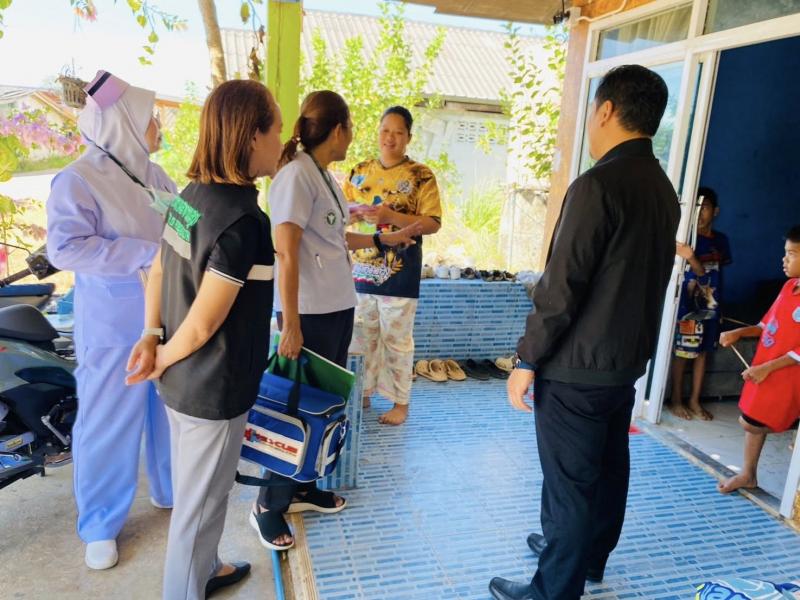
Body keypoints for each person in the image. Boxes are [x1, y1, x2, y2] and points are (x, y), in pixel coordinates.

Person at [492, 65, 680, 600]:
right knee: (608, 467)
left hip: (577, 366)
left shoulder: (598, 185)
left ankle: (553, 589)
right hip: (623, 363)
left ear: (606, 111)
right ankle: (586, 556)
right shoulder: (662, 189)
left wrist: (527, 359)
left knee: (569, 485)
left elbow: (561, 286)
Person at [125, 79, 282, 599]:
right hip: (213, 388)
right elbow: (203, 324)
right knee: (198, 507)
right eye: (277, 129)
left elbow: (157, 269)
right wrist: (160, 354)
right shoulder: (245, 224)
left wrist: (152, 338)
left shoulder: (189, 199)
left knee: (205, 494)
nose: (281, 141)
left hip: (182, 380)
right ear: (252, 136)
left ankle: (207, 568)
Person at [250, 90, 422, 550]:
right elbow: (286, 250)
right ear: (338, 129)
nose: (355, 137)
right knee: (294, 405)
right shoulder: (294, 175)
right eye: (352, 128)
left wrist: (381, 241)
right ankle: (268, 503)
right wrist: (289, 323)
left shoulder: (322, 174)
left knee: (322, 403)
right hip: (307, 313)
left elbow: (332, 238)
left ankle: (303, 487)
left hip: (335, 307)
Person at [46, 70, 174, 570]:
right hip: (114, 325)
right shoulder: (78, 179)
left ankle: (170, 488)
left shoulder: (155, 176)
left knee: (167, 410)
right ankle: (99, 524)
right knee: (107, 423)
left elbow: (188, 225)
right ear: (125, 125)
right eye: (151, 118)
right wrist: (148, 254)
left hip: (167, 317)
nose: (158, 126)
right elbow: (65, 247)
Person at [342, 105, 442, 426]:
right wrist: (356, 213)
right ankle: (364, 393)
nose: (391, 138)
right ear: (378, 132)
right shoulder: (358, 171)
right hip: (360, 273)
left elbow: (433, 222)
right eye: (386, 130)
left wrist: (391, 217)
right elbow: (340, 215)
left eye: (399, 133)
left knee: (397, 341)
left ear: (409, 137)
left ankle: (401, 403)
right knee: (363, 338)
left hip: (400, 275)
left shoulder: (421, 175)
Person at [717, 225, 800, 494]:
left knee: (754, 422)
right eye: (785, 252)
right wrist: (739, 332)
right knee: (751, 420)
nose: (784, 259)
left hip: (786, 374)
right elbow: (767, 325)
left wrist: (768, 368)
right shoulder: (789, 287)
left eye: (792, 254)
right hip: (765, 369)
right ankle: (748, 474)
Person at [669, 187, 732, 420]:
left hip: (711, 305)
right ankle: (676, 400)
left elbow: (714, 275)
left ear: (715, 211)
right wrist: (690, 256)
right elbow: (698, 272)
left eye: (704, 207)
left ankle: (694, 401)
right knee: (683, 353)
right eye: (696, 207)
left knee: (704, 352)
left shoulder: (721, 241)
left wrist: (719, 306)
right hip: (688, 307)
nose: (699, 213)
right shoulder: (685, 240)